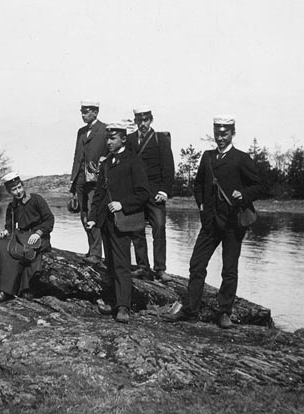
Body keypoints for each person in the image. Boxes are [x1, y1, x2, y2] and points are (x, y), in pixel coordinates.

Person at [163, 116, 263, 329]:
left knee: (229, 270)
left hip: (233, 223)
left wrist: (243, 194)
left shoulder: (241, 159)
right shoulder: (207, 157)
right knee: (197, 264)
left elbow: (260, 186)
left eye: (224, 133)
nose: (220, 137)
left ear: (232, 133)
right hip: (210, 222)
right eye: (217, 133)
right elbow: (198, 184)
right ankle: (190, 311)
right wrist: (201, 205)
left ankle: (224, 312)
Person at [87, 122, 151, 323]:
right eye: (107, 138)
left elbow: (143, 193)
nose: (109, 142)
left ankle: (124, 307)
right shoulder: (106, 163)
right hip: (106, 222)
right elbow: (98, 194)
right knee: (111, 264)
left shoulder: (134, 161)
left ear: (123, 138)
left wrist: (122, 204)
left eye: (113, 138)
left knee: (122, 265)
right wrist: (92, 218)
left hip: (121, 221)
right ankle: (115, 303)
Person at [0, 172, 54, 303]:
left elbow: (49, 220)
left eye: (19, 187)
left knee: (14, 252)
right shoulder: (12, 206)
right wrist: (6, 231)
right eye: (14, 189)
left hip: (39, 237)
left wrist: (38, 233)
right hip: (22, 235)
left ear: (22, 185)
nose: (18, 191)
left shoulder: (36, 199)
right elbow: (10, 226)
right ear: (9, 191)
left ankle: (6, 292)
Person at [126, 107, 175, 283]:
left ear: (151, 120)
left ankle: (160, 269)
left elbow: (168, 168)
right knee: (137, 230)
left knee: (159, 229)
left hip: (156, 194)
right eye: (139, 120)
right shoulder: (130, 139)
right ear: (135, 121)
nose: (143, 123)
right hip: (137, 193)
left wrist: (164, 191)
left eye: (145, 120)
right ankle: (142, 267)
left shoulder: (160, 139)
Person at [69, 101, 108, 265]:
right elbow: (77, 156)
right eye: (82, 112)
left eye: (86, 112)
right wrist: (73, 179)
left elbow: (110, 152)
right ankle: (91, 249)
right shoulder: (81, 131)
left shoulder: (105, 129)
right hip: (80, 178)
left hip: (95, 178)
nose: (83, 115)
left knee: (93, 213)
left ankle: (97, 253)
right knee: (83, 214)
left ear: (95, 112)